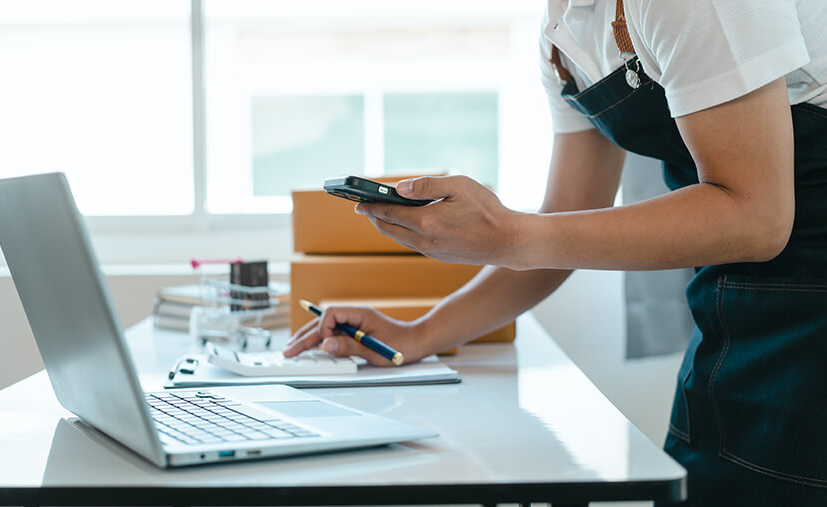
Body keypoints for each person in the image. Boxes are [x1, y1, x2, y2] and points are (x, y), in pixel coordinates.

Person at [284, 0, 827, 504]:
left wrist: (509, 233)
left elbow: (756, 217)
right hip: (732, 304)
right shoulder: (564, 33)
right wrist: (417, 334)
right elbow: (565, 217)